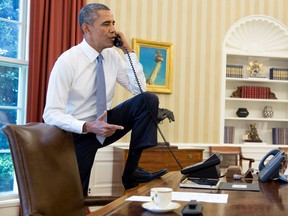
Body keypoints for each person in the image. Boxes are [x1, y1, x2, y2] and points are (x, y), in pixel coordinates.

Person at [43, 3, 168, 195]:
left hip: (106, 126)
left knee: (147, 100)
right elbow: (50, 114)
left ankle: (131, 171)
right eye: (106, 24)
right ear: (87, 28)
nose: (113, 30)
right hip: (78, 135)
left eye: (113, 23)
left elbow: (139, 89)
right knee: (75, 195)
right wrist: (88, 126)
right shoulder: (68, 61)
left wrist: (129, 53)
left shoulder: (112, 56)